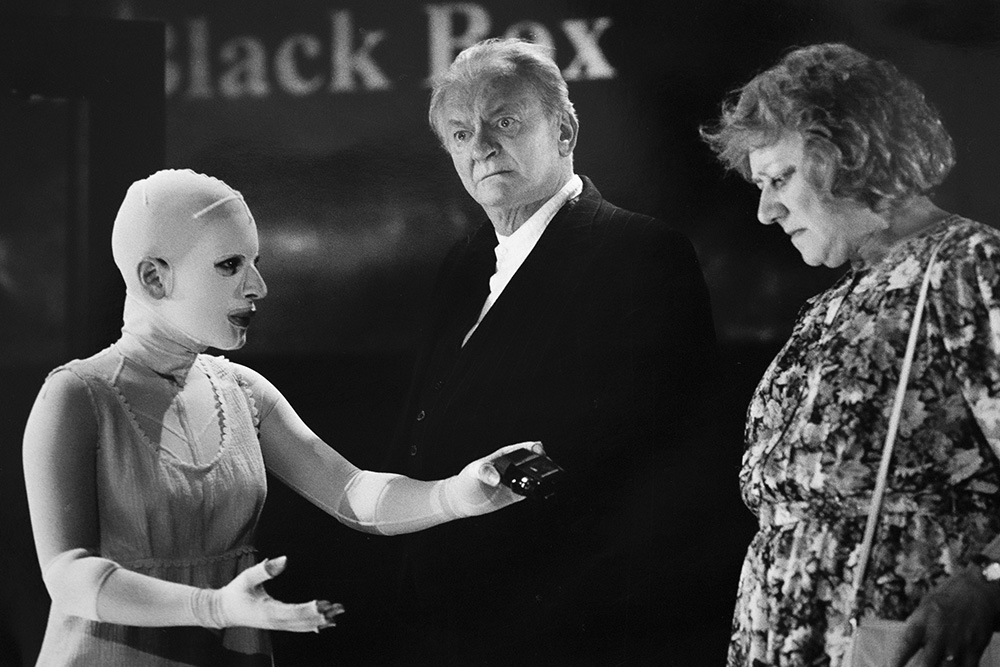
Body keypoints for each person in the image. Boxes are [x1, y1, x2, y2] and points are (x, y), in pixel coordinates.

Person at [21, 168, 542, 666]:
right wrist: (215, 608)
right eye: (230, 265)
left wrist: (460, 493)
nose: (258, 287)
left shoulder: (244, 392)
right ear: (154, 278)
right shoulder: (76, 397)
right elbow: (67, 575)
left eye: (255, 262)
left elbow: (352, 494)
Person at [381, 38, 717, 665]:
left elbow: (663, 466)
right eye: (460, 133)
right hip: (446, 620)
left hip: (568, 628)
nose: (479, 145)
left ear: (564, 130)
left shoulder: (641, 254)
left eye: (503, 121)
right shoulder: (461, 263)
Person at [701, 42, 1000, 667]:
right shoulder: (836, 302)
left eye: (779, 178)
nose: (764, 211)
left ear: (853, 155)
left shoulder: (967, 266)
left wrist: (993, 581)